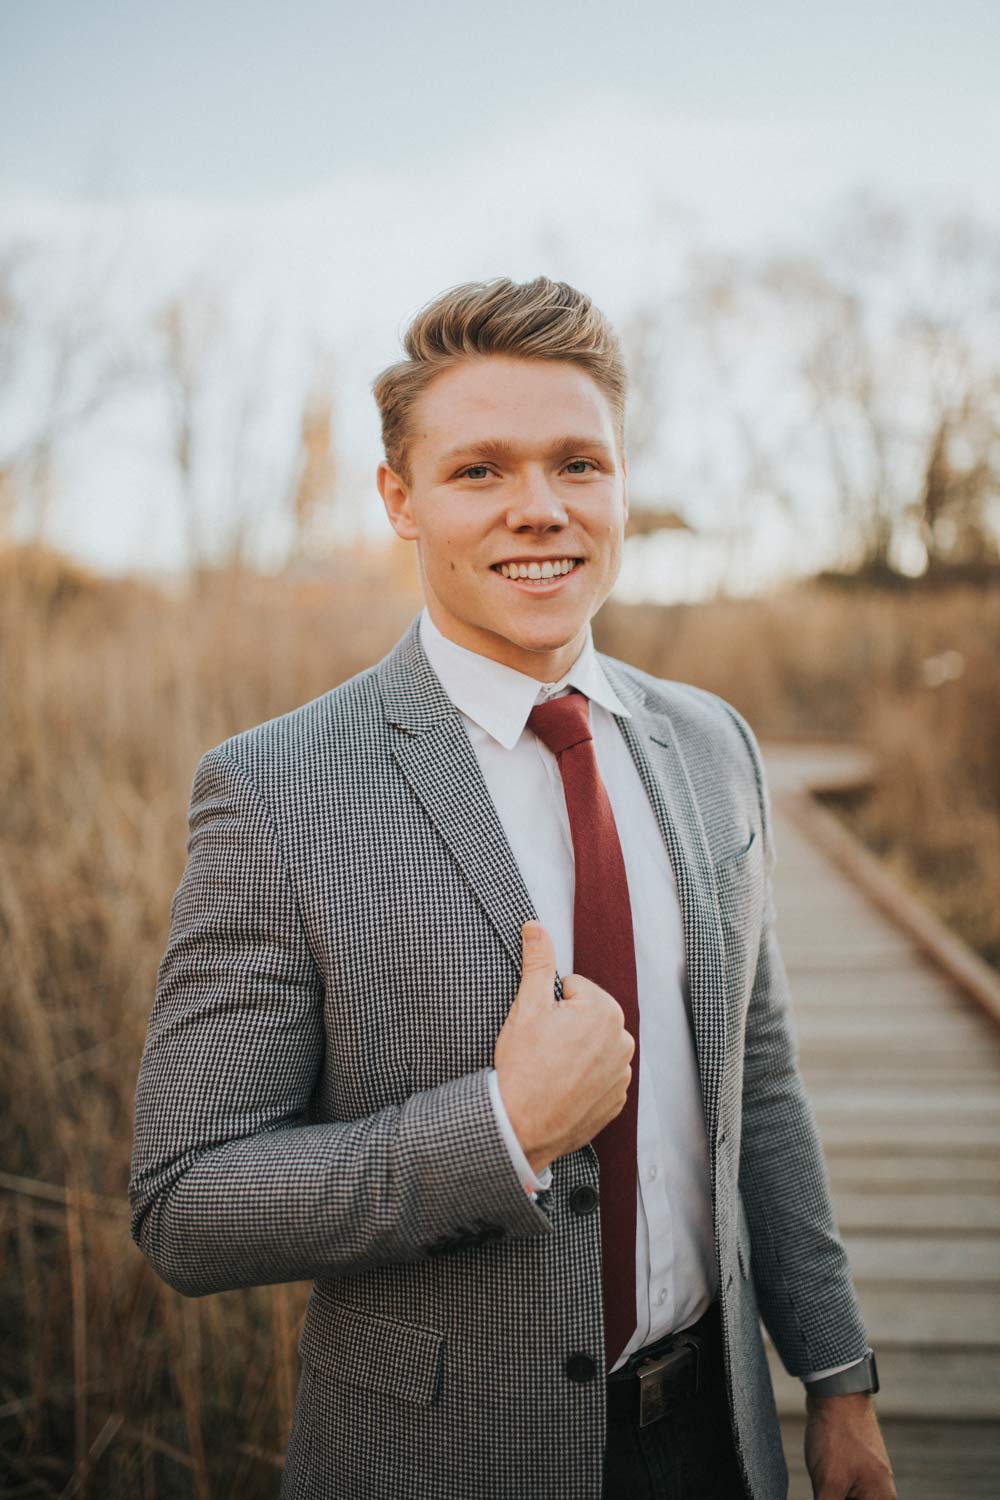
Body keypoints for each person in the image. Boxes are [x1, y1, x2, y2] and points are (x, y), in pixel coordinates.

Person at [129, 276, 896, 1500]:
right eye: (479, 471)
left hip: (717, 1439)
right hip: (436, 1460)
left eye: (577, 464)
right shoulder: (276, 791)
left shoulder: (714, 747)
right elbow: (186, 1202)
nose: (538, 510)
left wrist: (838, 1377)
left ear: (621, 483)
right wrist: (499, 1130)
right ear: (401, 500)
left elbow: (761, 1082)